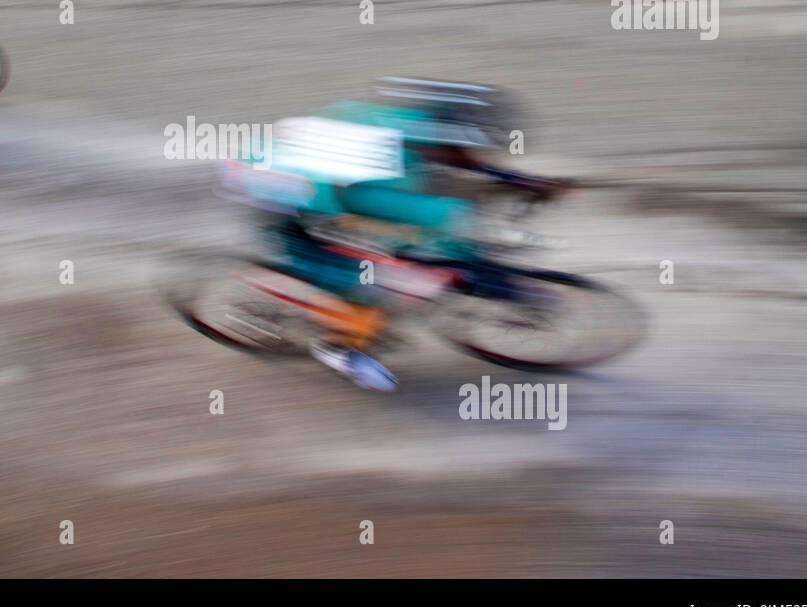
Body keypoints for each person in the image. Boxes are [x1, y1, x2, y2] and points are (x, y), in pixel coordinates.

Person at [241, 78, 567, 391]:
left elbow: (460, 166)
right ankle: (337, 347)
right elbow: (423, 221)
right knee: (389, 282)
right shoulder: (381, 178)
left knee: (421, 246)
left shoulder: (407, 126)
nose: (476, 157)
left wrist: (514, 180)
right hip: (284, 204)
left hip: (288, 169)